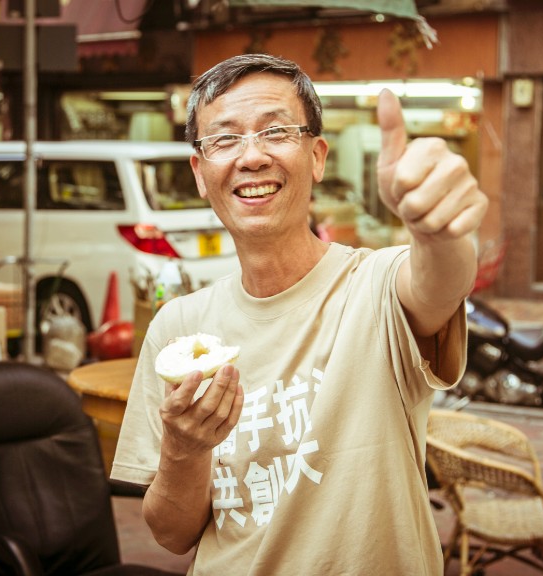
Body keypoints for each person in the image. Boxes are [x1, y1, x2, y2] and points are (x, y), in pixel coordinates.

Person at [112, 53, 487, 575]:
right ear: (200, 172)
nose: (252, 157)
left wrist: (440, 231)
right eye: (224, 139)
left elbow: (441, 279)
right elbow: (172, 535)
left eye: (276, 132)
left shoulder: (374, 286)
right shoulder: (178, 330)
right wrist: (183, 447)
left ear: (317, 156)